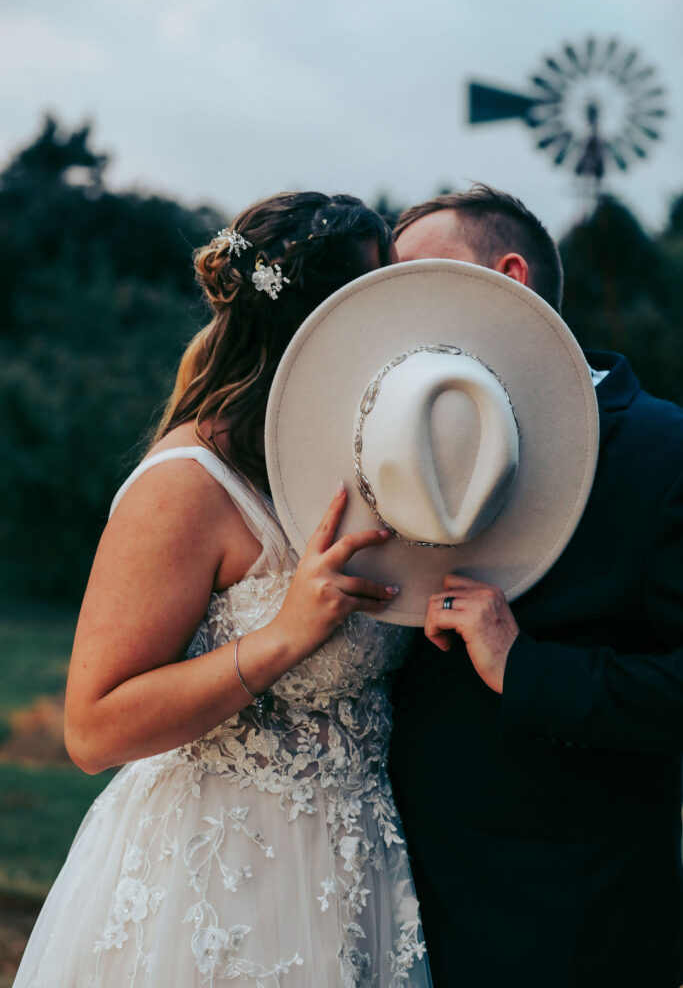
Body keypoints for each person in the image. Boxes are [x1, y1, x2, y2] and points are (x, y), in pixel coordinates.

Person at [14, 191, 432, 988]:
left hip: (359, 882)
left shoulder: (360, 472)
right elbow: (93, 728)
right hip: (213, 884)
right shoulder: (187, 484)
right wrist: (282, 636)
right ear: (318, 324)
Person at [388, 184, 683, 988]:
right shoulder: (390, 439)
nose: (389, 306)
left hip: (568, 920)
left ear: (507, 276)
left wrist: (526, 668)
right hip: (381, 894)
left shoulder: (664, 449)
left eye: (414, 274)